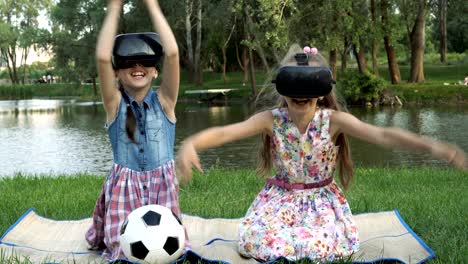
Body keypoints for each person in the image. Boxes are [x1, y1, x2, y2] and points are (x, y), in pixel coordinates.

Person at [176, 45, 467, 262]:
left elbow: (383, 134)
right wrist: (191, 144)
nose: (301, 94)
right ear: (284, 86)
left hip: (321, 203)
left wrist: (434, 146)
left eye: (310, 85)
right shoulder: (271, 119)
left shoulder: (333, 121)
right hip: (280, 201)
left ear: (321, 88)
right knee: (254, 242)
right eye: (294, 84)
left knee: (323, 246)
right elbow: (227, 132)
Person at [85, 0, 181, 261]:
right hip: (124, 189)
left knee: (168, 251)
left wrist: (151, 4)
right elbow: (103, 57)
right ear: (117, 72)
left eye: (144, 62)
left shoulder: (166, 102)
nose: (137, 67)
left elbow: (172, 53)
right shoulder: (114, 104)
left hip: (163, 188)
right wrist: (115, 6)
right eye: (128, 62)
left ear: (155, 71)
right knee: (124, 254)